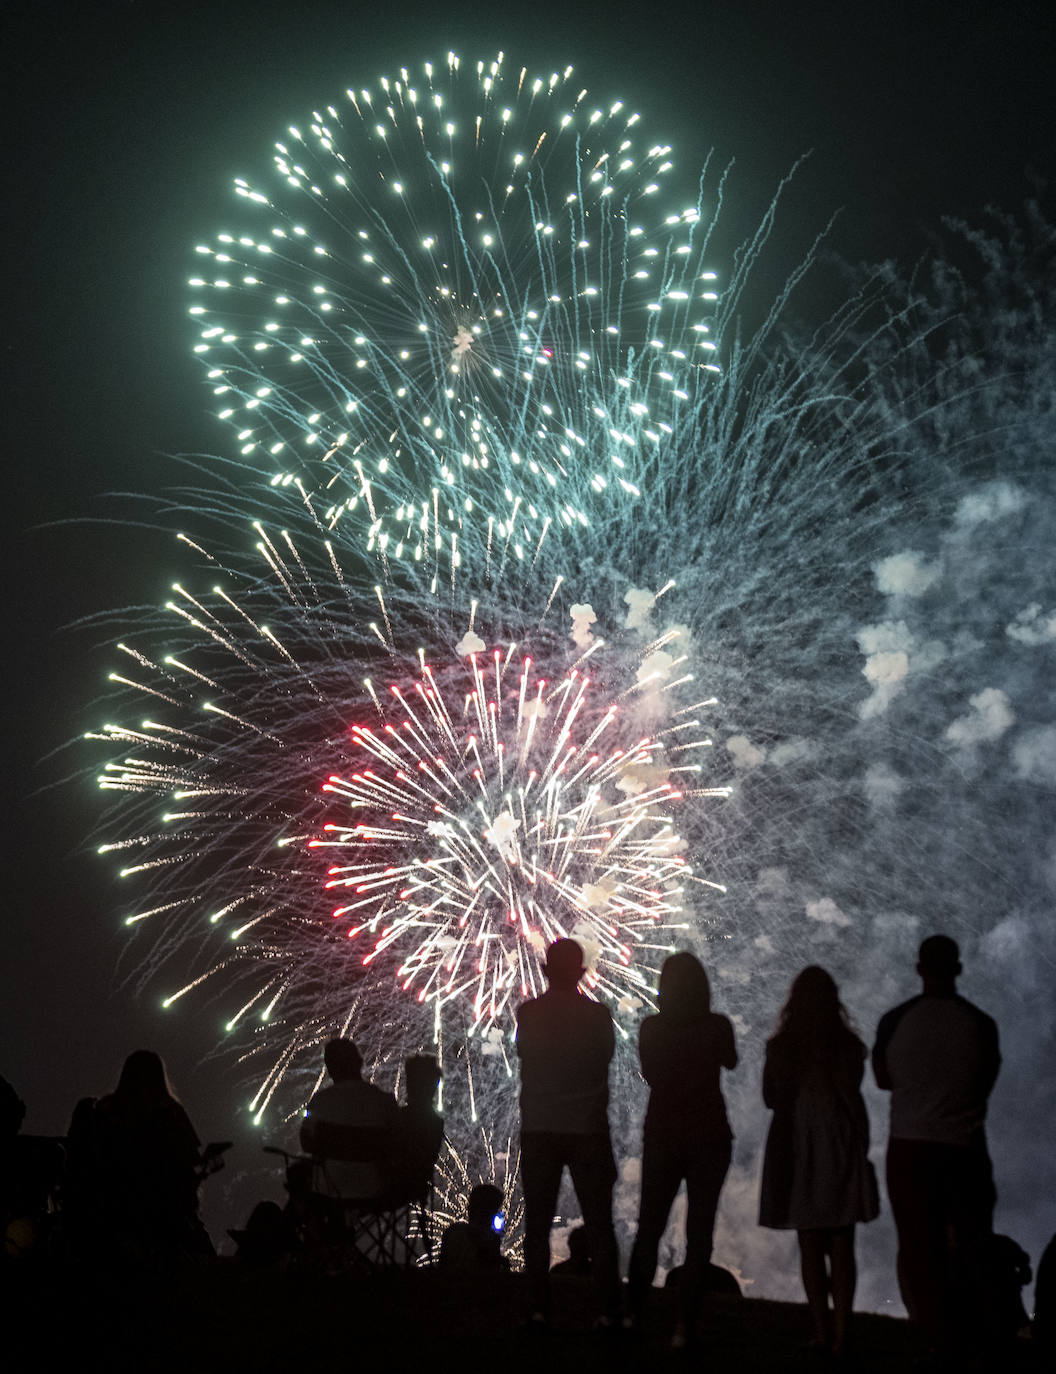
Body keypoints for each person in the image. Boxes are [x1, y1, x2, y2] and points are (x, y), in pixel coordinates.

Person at [872, 934, 1000, 1356]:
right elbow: (985, 1085)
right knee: (969, 1239)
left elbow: (883, 1079)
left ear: (919, 969)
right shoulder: (980, 1024)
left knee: (915, 1244)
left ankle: (925, 1328)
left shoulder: (896, 1021)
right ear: (958, 969)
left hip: (909, 1148)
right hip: (963, 1147)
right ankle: (973, 1335)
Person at [759, 967, 879, 1358]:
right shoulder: (847, 1045)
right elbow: (853, 1095)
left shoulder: (781, 1046)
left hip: (797, 1142)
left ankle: (821, 1330)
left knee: (810, 1241)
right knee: (842, 1242)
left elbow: (771, 1098)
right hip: (839, 1139)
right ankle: (843, 1332)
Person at [627, 952, 738, 1347]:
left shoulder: (652, 1028)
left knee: (649, 1227)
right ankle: (683, 1325)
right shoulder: (717, 1026)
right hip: (710, 1133)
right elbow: (732, 1060)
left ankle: (633, 1315)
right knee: (700, 1234)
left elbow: (651, 1074)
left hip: (664, 1132)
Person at [516, 938, 621, 1327]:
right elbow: (604, 1060)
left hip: (540, 1126)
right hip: (587, 1127)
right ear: (581, 973)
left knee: (538, 1225)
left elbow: (526, 1055)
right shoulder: (598, 1016)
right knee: (600, 1223)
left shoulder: (527, 1013)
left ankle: (538, 1307)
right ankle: (609, 1309)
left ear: (545, 971)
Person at [91, 1049, 211, 1264]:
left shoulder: (106, 1112)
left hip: (112, 1215)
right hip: (165, 1218)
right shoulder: (171, 1114)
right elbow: (188, 1163)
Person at [300, 1038, 399, 1201]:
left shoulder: (319, 1102)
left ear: (330, 1068)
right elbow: (397, 1143)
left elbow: (306, 1143)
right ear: (360, 1063)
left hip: (328, 1189)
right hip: (374, 1188)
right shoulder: (384, 1101)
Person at [438, 1183, 510, 1274]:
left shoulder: (453, 1231)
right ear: (489, 1212)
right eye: (496, 1210)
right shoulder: (490, 1239)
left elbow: (442, 1266)